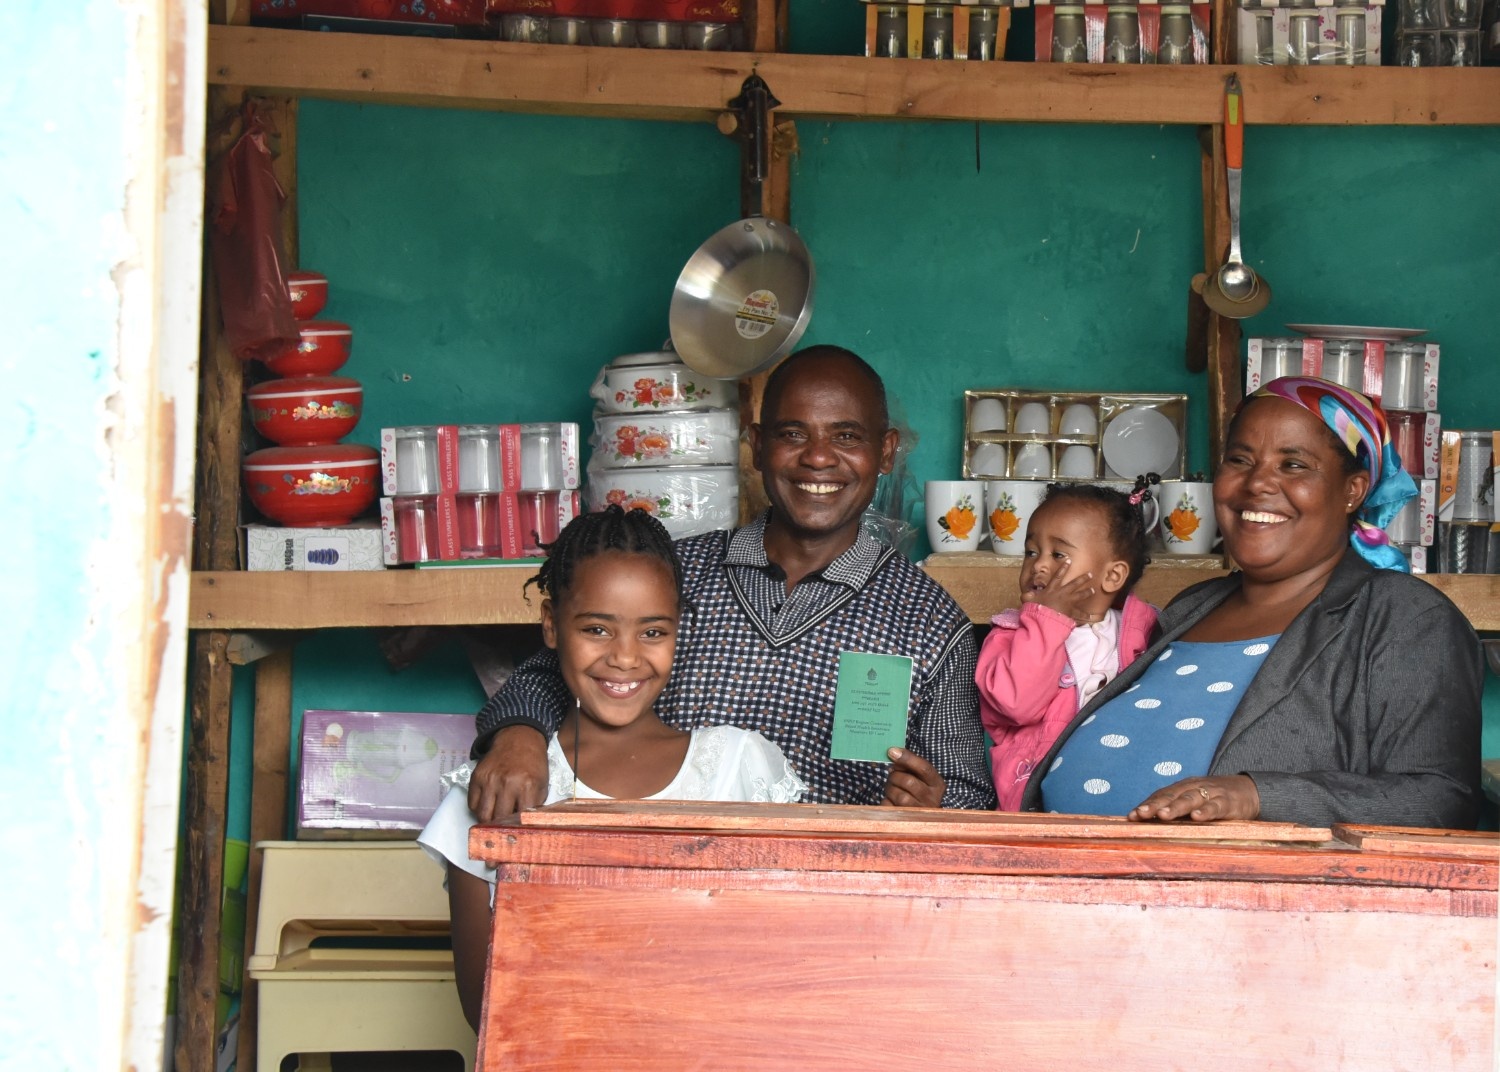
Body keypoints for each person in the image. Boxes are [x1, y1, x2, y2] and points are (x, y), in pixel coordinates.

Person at [466, 345, 996, 819]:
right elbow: (555, 668)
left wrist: (934, 809)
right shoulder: (678, 572)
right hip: (664, 882)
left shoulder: (926, 619)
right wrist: (517, 734)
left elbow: (970, 795)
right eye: (793, 434)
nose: (817, 456)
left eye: (847, 436)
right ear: (757, 445)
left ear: (884, 452)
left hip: (831, 900)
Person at [1022, 376, 1483, 829]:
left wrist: (1255, 794)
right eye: (1240, 459)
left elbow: (1440, 798)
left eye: (1293, 465)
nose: (1257, 483)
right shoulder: (1193, 607)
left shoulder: (1403, 617)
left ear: (1353, 490)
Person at [418, 505, 807, 1029]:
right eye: (598, 629)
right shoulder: (498, 789)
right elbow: (485, 1011)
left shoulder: (742, 768)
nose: (625, 658)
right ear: (552, 625)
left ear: (679, 630)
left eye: (653, 632)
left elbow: (785, 965)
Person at [977, 481, 1159, 811]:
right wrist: (1047, 620)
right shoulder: (1009, 634)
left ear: (1112, 576)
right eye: (1031, 552)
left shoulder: (1145, 634)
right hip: (1037, 811)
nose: (1040, 565)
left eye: (1058, 554)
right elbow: (1016, 703)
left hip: (1120, 806)